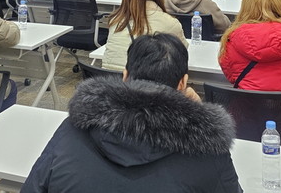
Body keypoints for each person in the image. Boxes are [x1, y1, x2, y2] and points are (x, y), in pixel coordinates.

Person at [21, 33, 241, 193]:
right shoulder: (208, 147)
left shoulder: (74, 128)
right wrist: (198, 114)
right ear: (183, 83)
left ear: (125, 76)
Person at [103, 0, 186, 70]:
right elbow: (183, 54)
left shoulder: (116, 20)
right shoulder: (171, 23)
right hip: (143, 79)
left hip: (109, 78)